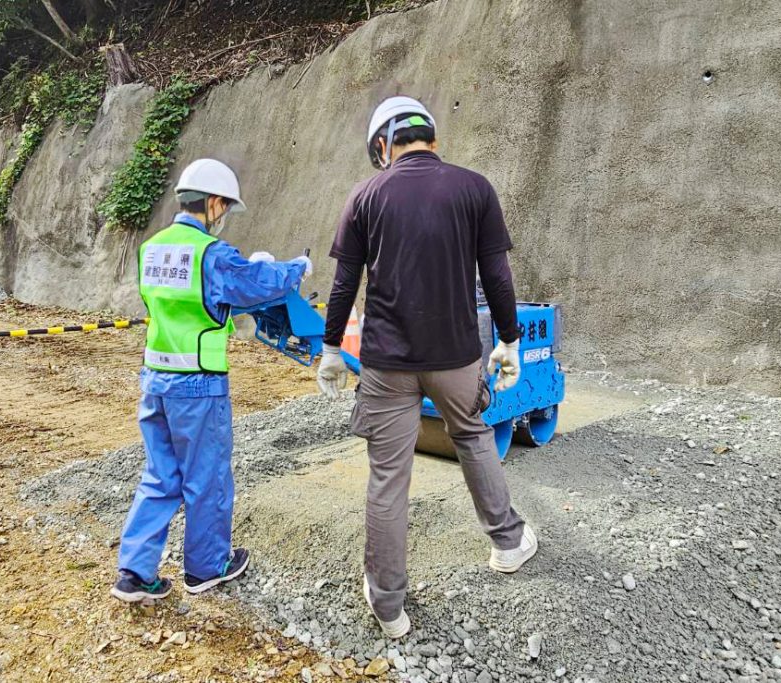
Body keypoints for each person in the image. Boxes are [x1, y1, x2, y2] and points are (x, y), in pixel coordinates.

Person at [316, 96, 537, 637]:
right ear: (432, 140)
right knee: (474, 437)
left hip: (388, 362)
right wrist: (508, 340)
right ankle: (508, 543)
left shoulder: (365, 195)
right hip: (458, 357)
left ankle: (389, 606)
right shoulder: (474, 188)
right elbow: (499, 278)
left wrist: (328, 348)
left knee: (389, 476)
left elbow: (345, 284)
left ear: (383, 145)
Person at [112, 158, 312, 602]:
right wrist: (296, 267)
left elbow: (191, 301)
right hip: (199, 384)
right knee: (207, 477)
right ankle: (206, 568)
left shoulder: (151, 248)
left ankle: (135, 571)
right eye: (225, 209)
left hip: (156, 380)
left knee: (160, 475)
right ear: (215, 203)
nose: (223, 219)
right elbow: (258, 282)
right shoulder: (211, 254)